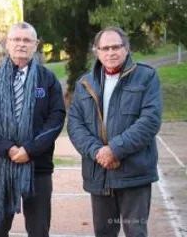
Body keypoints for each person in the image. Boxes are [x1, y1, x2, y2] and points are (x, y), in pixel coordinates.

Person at [67, 27, 162, 237]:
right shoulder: (84, 83)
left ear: (126, 49)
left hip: (134, 174)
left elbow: (150, 121)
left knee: (135, 231)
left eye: (116, 47)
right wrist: (98, 152)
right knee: (103, 232)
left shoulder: (146, 77)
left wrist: (115, 150)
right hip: (98, 173)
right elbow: (75, 124)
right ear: (97, 51)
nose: (111, 52)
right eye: (105, 48)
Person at [0, 22, 66, 237]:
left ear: (35, 45)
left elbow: (57, 117)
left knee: (38, 229)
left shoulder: (48, 79)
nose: (21, 44)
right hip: (0, 165)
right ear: (7, 43)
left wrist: (30, 150)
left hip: (38, 165)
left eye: (27, 40)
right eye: (16, 39)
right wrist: (6, 148)